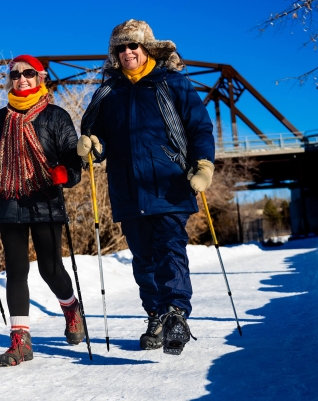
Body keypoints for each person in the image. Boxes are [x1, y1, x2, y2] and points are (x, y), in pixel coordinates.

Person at [77, 20, 215, 356]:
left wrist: (204, 164)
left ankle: (175, 314)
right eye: (120, 48)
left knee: (170, 250)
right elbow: (97, 137)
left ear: (147, 48)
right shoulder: (108, 93)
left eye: (132, 46)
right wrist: (92, 147)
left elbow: (199, 127)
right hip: (127, 188)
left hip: (169, 184)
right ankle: (155, 315)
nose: (127, 53)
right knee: (143, 259)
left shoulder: (172, 83)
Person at [0, 54, 84, 367]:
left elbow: (74, 161)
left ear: (40, 78)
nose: (22, 79)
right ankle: (20, 340)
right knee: (16, 271)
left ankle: (71, 309)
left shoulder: (56, 116)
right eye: (15, 75)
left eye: (29, 73)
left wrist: (65, 175)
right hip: (9, 201)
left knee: (50, 269)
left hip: (45, 200)